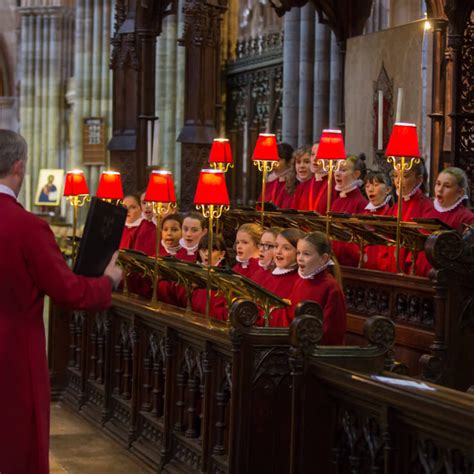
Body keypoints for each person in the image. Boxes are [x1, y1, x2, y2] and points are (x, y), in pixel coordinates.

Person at [0, 130, 122, 474]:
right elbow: (69, 291)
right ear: (19, 166)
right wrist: (107, 281)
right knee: (15, 440)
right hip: (12, 353)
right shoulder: (28, 227)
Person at [291, 232, 346, 344]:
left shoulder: (331, 287)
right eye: (298, 253)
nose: (300, 258)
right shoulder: (301, 281)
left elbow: (331, 331)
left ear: (323, 258)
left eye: (306, 254)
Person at [331, 154, 368, 266]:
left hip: (348, 262)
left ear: (356, 174)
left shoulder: (361, 203)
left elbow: (358, 238)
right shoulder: (337, 201)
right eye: (336, 169)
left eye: (343, 170)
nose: (337, 173)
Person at [263, 228, 304, 327]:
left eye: (286, 248)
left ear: (298, 253)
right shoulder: (269, 276)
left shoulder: (299, 281)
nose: (278, 252)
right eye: (276, 246)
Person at [362, 171, 393, 271]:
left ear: (388, 190)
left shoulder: (391, 214)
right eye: (367, 186)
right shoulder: (363, 214)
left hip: (384, 268)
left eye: (376, 185)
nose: (370, 189)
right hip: (364, 266)